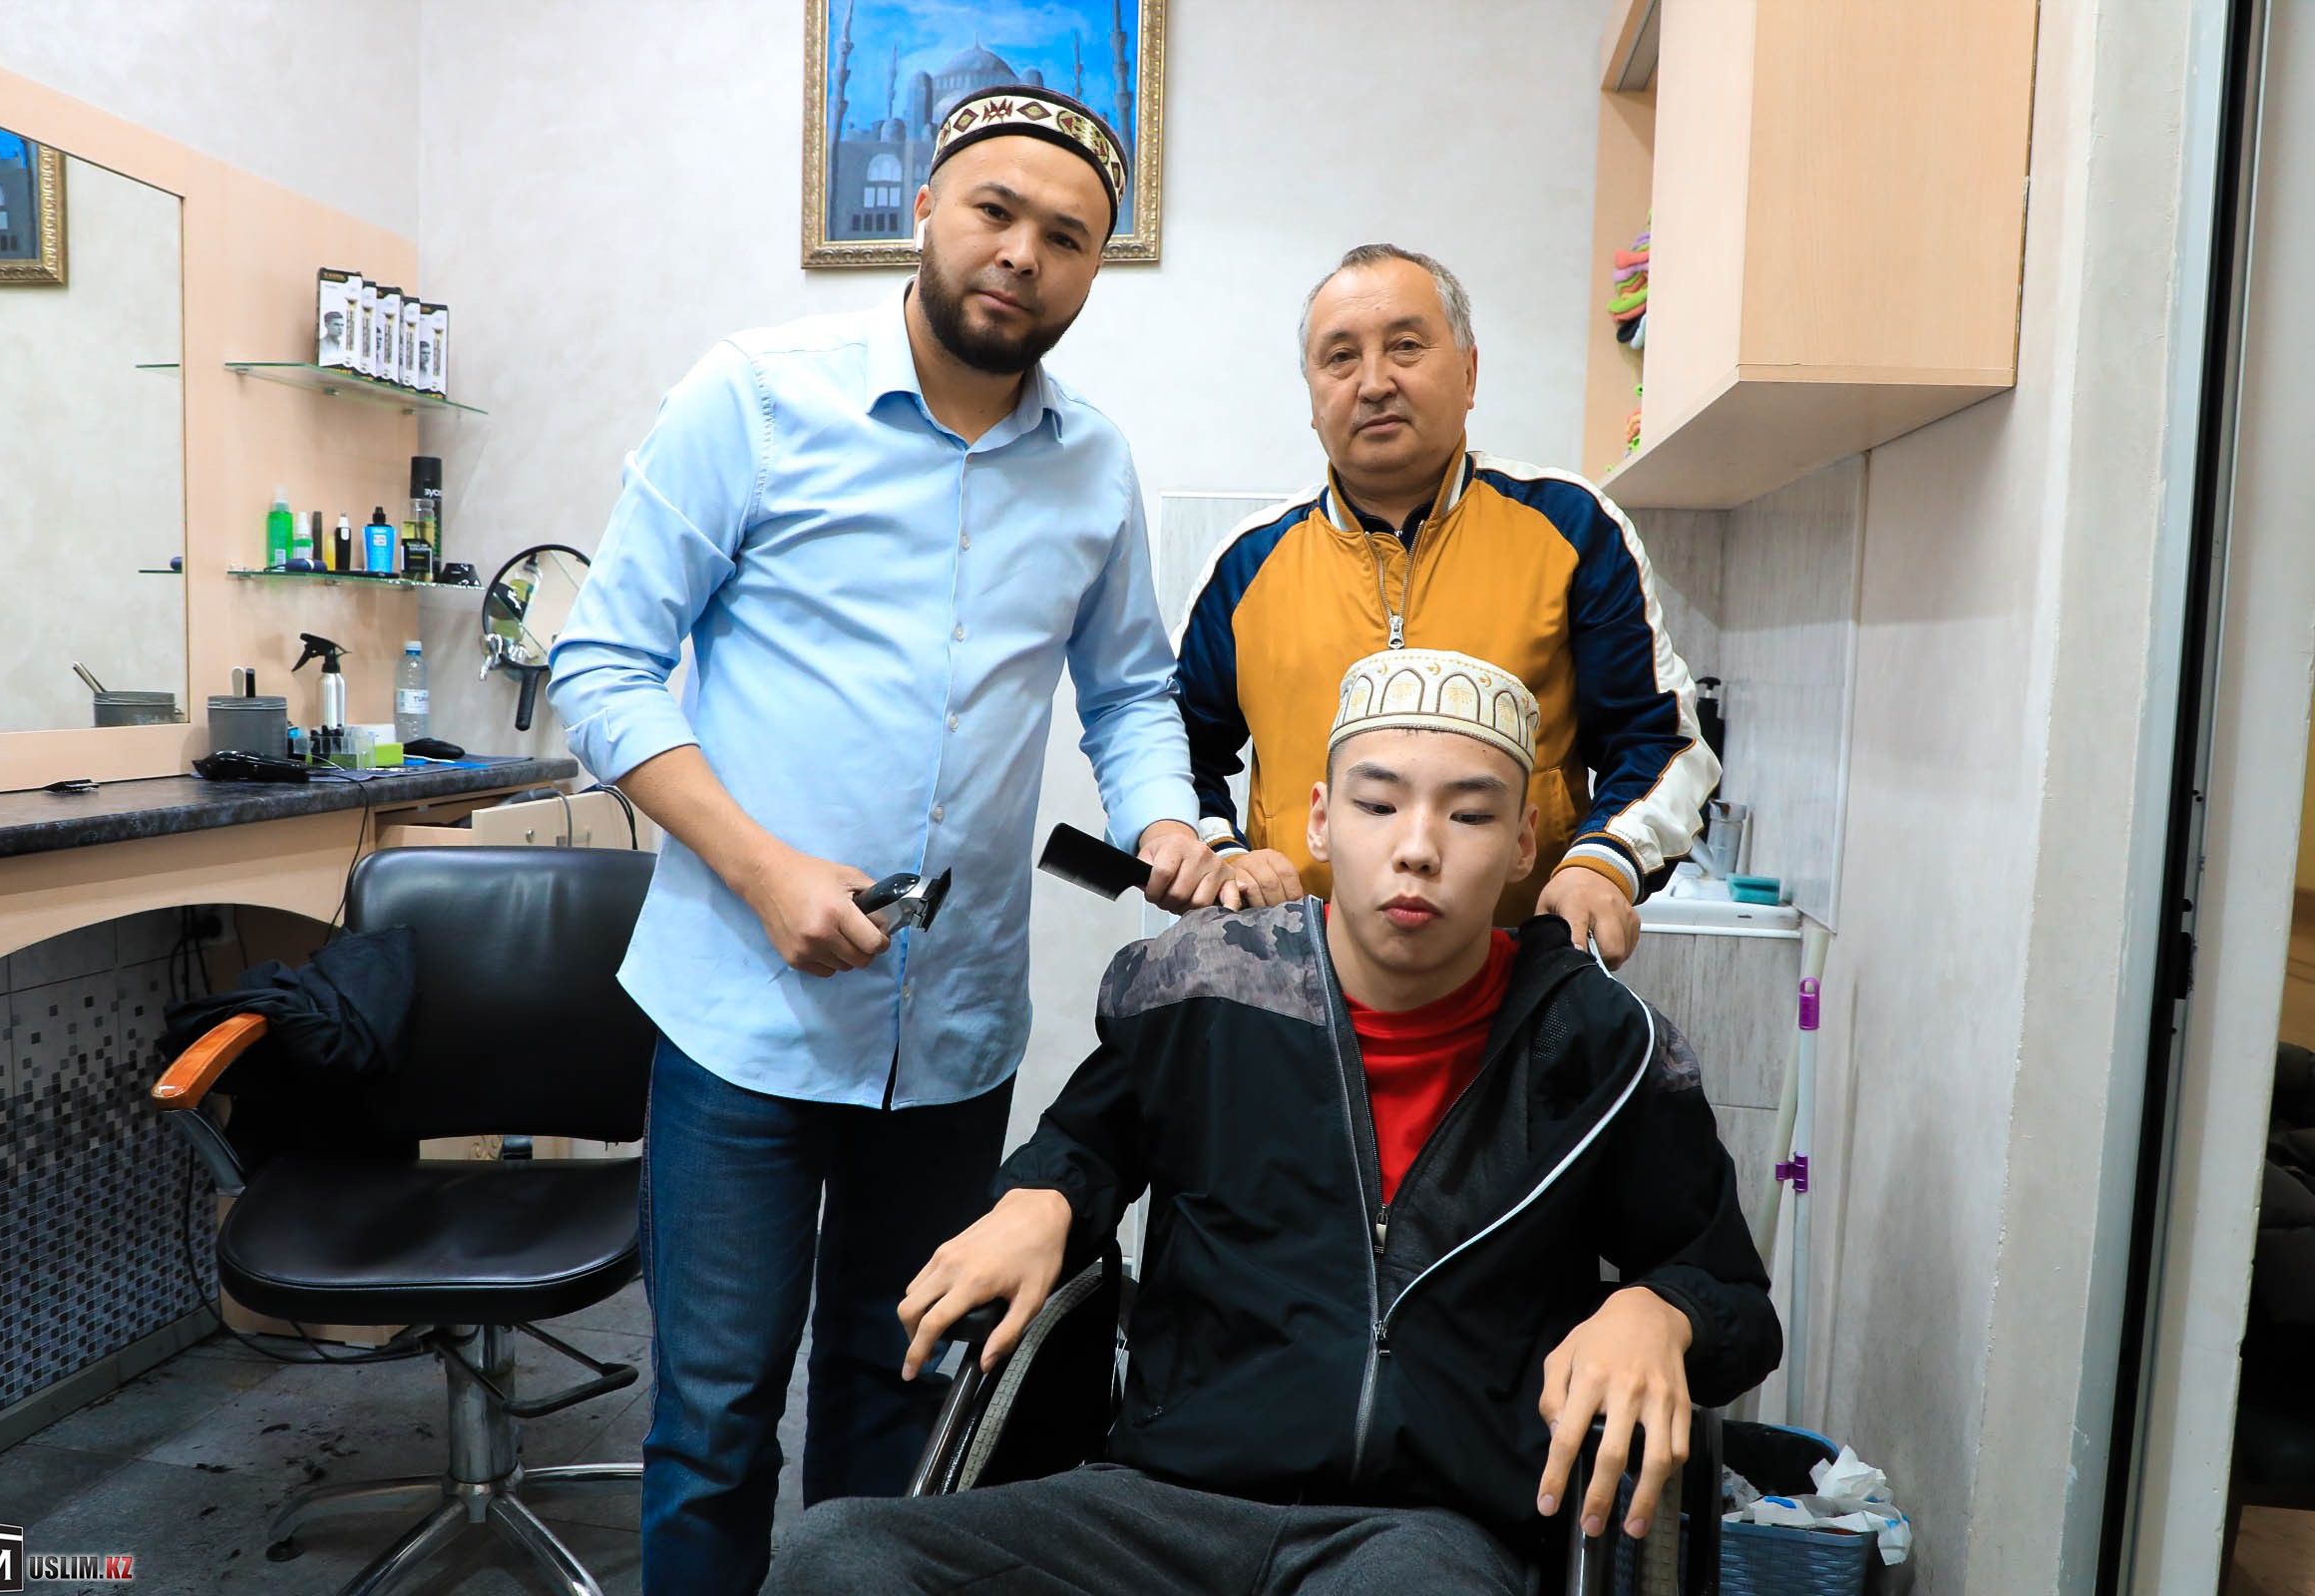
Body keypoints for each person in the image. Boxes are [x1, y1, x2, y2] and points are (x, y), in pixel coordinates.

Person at [545, 84, 1228, 1595]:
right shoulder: (753, 397)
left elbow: (1128, 691)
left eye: (1067, 236)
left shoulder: (1094, 465)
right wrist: (761, 868)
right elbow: (600, 665)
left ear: (1095, 268)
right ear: (921, 208)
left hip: (953, 1030)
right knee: (716, 1418)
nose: (1022, 254)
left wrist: (1166, 821)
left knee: (901, 1394)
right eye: (994, 210)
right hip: (744, 1012)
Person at [764, 648, 1780, 1595]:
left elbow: (1727, 1288)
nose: (1417, 848)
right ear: (1322, 821)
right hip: (1162, 1507)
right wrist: (1041, 1198)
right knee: (838, 1556)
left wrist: (1661, 1311)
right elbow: (1086, 1143)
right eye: (1378, 804)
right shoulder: (1207, 990)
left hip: (1416, 1533)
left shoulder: (1600, 1046)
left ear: (1523, 843)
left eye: (1469, 816)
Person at [1179, 243, 1719, 966]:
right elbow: (1174, 751)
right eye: (1340, 358)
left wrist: (1604, 860)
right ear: (1311, 396)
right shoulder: (1246, 567)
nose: (1374, 383)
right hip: (1295, 970)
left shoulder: (1573, 529)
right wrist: (1222, 853)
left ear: (1468, 373)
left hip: (1519, 972)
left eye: (1406, 346)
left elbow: (1660, 740)